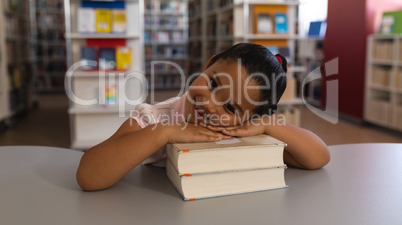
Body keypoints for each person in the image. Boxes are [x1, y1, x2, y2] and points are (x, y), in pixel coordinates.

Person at [76, 43, 330, 191]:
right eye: (213, 83)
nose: (209, 103)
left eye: (230, 108)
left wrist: (266, 125)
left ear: (248, 118)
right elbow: (88, 176)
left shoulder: (243, 129)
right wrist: (165, 132)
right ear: (208, 64)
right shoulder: (153, 119)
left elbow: (320, 156)